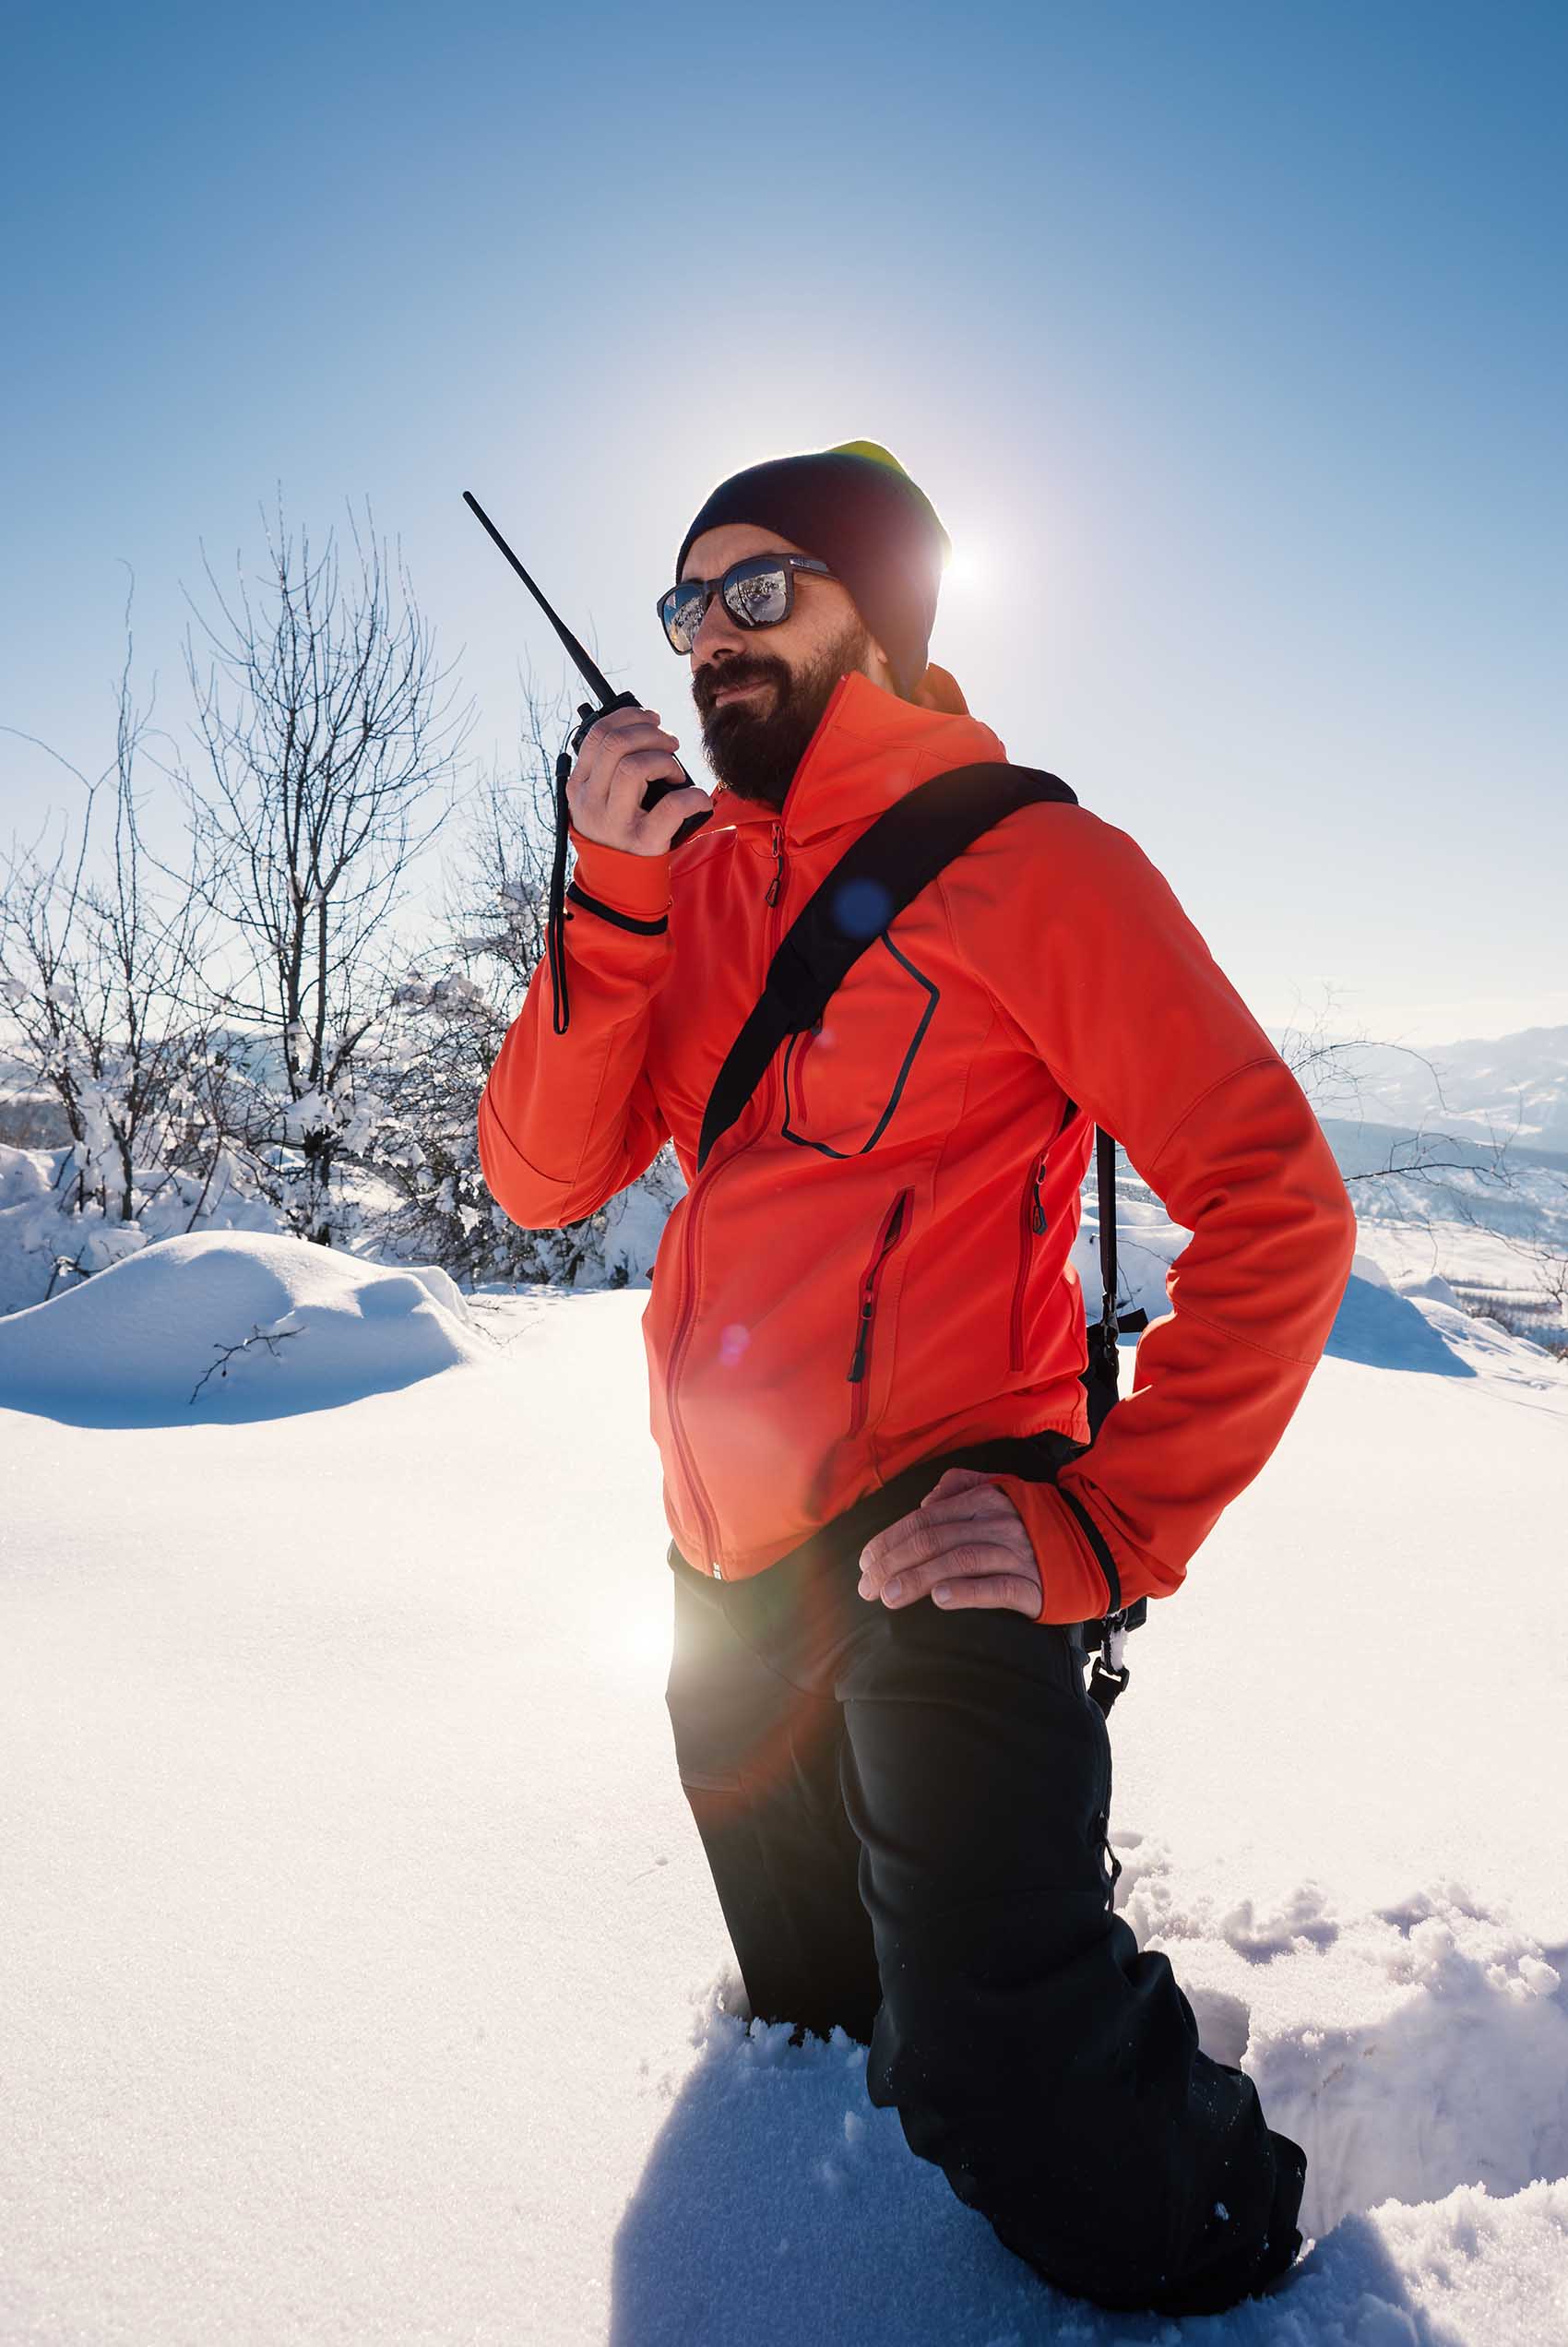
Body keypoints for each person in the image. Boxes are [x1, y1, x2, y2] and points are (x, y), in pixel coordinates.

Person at [477, 440, 1358, 2317]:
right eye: (684, 602)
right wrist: (610, 903)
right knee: (823, 2021)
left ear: (881, 614)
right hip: (719, 1581)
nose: (709, 635)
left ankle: (1253, 2230)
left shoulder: (1035, 865)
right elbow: (540, 1181)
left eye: (761, 589)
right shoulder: (690, 890)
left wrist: (1102, 1523)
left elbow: (1278, 1211)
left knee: (1001, 2081)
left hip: (945, 1535)